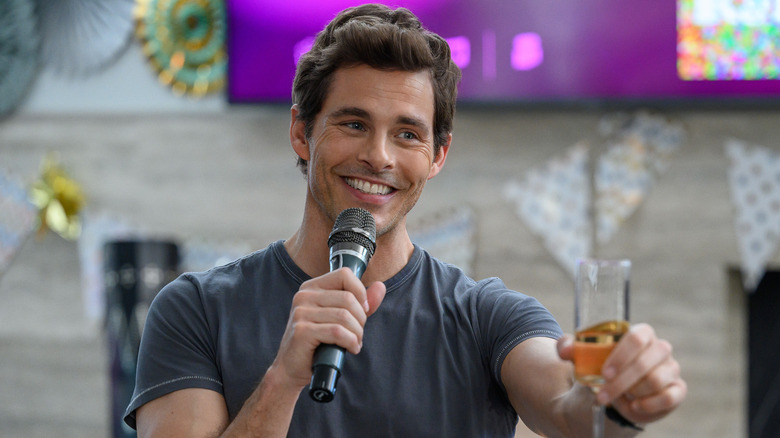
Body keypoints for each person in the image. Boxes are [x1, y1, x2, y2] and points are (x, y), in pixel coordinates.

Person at [124, 4, 686, 437]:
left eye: (409, 134)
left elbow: (571, 410)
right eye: (353, 124)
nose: (380, 157)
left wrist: (617, 398)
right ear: (301, 132)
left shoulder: (487, 316)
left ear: (438, 155)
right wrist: (284, 378)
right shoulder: (195, 309)